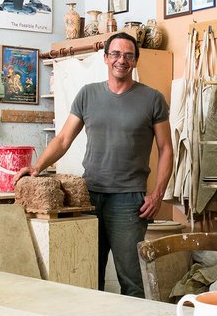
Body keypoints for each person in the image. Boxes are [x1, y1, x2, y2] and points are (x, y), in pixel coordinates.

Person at [13, 33, 173, 299]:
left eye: (128, 55)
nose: (121, 60)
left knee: (131, 278)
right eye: (116, 54)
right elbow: (63, 139)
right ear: (106, 57)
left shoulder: (152, 99)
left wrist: (158, 194)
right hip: (89, 197)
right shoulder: (88, 94)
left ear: (135, 61)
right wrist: (37, 167)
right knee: (88, 273)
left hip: (129, 200)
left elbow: (166, 148)